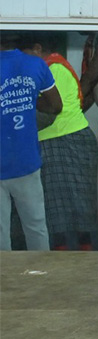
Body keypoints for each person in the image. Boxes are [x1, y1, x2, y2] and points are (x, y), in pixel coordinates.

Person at [27, 35, 98, 250]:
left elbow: (50, 111)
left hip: (65, 141)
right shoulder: (53, 66)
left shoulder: (52, 69)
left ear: (37, 48)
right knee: (64, 208)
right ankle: (71, 257)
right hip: (62, 141)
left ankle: (77, 258)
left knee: (71, 208)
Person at [1, 34, 61, 251]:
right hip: (26, 159)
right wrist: (27, 102)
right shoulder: (35, 64)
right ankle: (41, 277)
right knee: (36, 227)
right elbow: (55, 106)